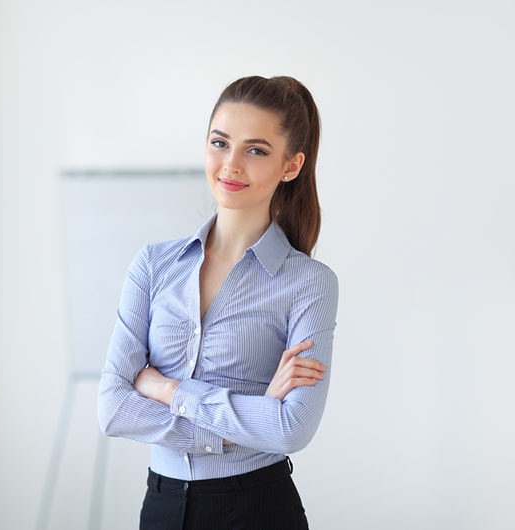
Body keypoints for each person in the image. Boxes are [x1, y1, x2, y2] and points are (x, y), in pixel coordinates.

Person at [97, 75, 339, 530]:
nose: (231, 165)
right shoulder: (153, 266)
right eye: (220, 142)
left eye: (256, 150)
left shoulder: (309, 284)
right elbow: (113, 408)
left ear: (291, 166)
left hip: (258, 508)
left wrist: (167, 390)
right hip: (162, 507)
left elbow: (292, 429)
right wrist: (244, 424)